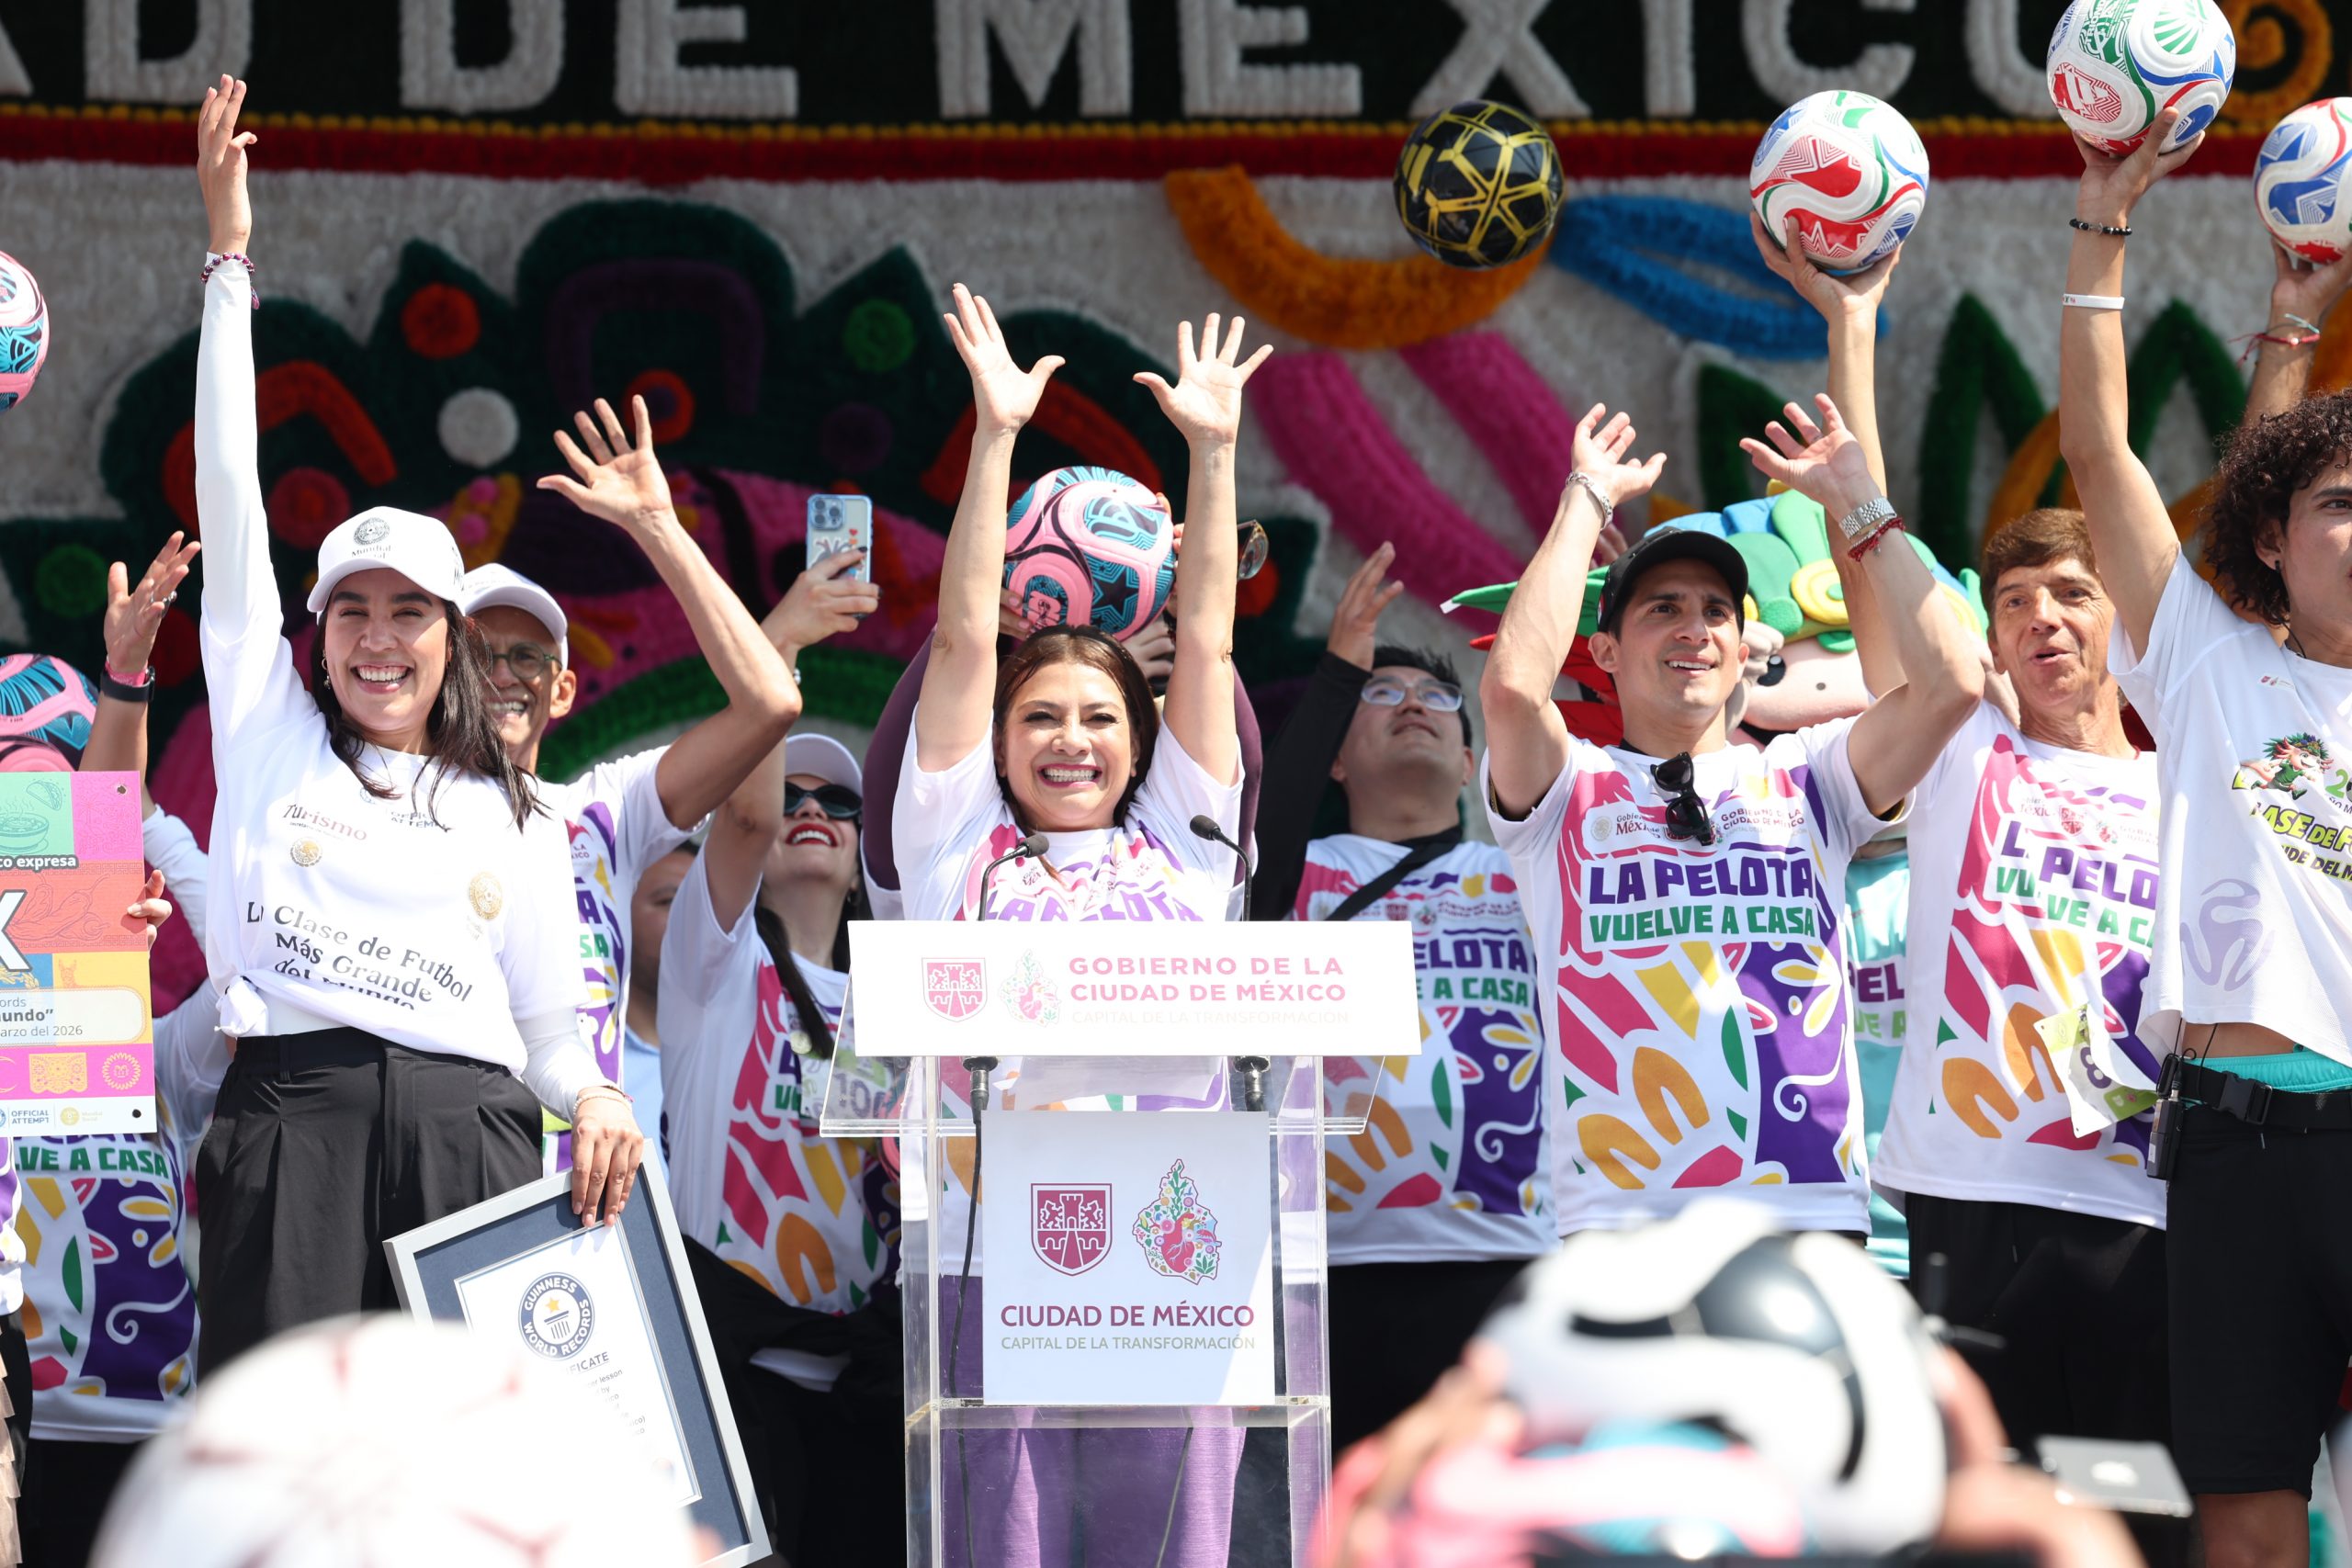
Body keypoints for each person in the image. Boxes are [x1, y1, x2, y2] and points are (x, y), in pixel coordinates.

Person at [188, 78, 643, 1373]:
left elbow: (550, 1029)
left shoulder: (517, 811)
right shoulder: (268, 725)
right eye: (353, 612)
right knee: (286, 1475)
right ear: (316, 633)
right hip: (296, 1122)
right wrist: (231, 261)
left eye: (410, 613)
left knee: (454, 1482)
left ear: (452, 636)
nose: (378, 637)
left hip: (473, 1133)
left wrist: (598, 1093)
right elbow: (230, 488)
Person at [1751, 213, 2176, 1533]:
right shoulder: (1964, 747)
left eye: (2071, 594)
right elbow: (1881, 575)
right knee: (1967, 1521)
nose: (2042, 620)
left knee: (2134, 1516)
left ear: (2122, 620)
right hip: (1964, 1202)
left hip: (2141, 1209)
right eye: (2015, 605)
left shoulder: (2192, 784)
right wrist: (1855, 326)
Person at [901, 284, 1264, 1567]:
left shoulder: (1181, 841)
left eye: (1101, 719)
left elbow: (1208, 642)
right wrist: (997, 434)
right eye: (1042, 717)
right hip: (997, 1251)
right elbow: (958, 638)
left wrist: (1212, 456)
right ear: (1000, 743)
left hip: (1175, 1251)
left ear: (1140, 743)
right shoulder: (956, 845)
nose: (1071, 739)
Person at [1479, 378, 1984, 1239]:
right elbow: (1516, 689)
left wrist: (1859, 501)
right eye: (1663, 609)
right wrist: (1584, 501)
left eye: (1717, 610)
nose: (1696, 628)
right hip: (1622, 1225)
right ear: (1604, 650)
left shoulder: (1809, 777)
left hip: (1809, 1211)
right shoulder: (1568, 786)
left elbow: (1954, 683)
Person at [2061, 106, 2352, 1568]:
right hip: (2238, 1138)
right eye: (2342, 504)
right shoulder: (2208, 663)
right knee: (2242, 1518)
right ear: (2277, 538)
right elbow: (2097, 444)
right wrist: (2106, 228)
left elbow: (2268, 481)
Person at [1251, 538, 1549, 1452]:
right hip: (1330, 1260)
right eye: (1382, 696)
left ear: (1471, 764)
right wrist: (1344, 664)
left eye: (1437, 700)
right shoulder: (1289, 878)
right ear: (1334, 760)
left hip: (1509, 1255)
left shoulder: (1532, 876)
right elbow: (1270, 802)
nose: (1414, 704)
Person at [464, 400, 797, 1174]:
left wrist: (658, 527)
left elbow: (769, 703)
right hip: (449, 1190)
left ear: (564, 689)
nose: (504, 675)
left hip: (584, 1201)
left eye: (528, 657)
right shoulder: (392, 812)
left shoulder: (600, 814)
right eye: (479, 655)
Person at [656, 544, 899, 1564]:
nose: (810, 813)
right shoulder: (714, 963)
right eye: (796, 795)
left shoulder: (907, 1000)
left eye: (838, 805)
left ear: (860, 862)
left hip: (870, 1384)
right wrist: (784, 642)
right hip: (730, 1378)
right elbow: (747, 813)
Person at [10, 538, 224, 1568]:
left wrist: (162, 850)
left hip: (164, 1449)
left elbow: (255, 984)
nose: (47, 849)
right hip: (20, 1430)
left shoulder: (162, 1050)